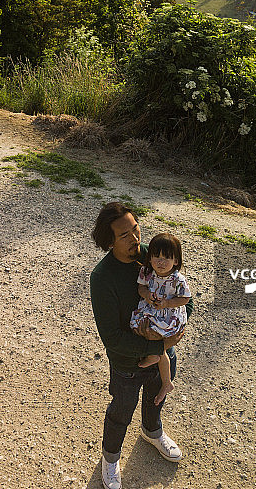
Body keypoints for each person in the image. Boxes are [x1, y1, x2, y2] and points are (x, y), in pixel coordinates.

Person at [90, 202, 193, 489]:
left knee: (156, 396)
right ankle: (110, 459)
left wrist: (175, 333)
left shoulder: (151, 254)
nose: (135, 239)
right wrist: (154, 349)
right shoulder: (102, 278)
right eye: (125, 235)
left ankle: (152, 431)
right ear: (109, 241)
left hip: (163, 349)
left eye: (136, 229)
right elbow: (111, 337)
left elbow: (186, 297)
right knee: (121, 410)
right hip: (128, 363)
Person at [129, 233, 191, 406]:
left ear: (176, 261)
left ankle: (157, 362)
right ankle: (166, 382)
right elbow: (141, 288)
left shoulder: (177, 279)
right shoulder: (147, 272)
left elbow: (185, 298)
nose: (160, 262)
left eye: (166, 258)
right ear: (150, 258)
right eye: (156, 257)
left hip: (169, 313)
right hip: (150, 308)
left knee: (155, 338)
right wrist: (147, 295)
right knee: (140, 328)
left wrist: (168, 303)